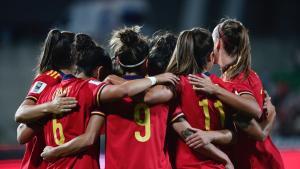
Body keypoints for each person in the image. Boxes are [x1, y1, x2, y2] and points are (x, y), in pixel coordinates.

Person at [38, 32, 178, 169]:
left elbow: (88, 137)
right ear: (146, 62)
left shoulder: (106, 92)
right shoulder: (164, 91)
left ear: (117, 61)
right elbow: (146, 96)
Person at [189, 18, 284, 169]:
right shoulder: (237, 76)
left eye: (212, 42)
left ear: (218, 43)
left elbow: (254, 111)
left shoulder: (236, 80)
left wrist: (215, 90)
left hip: (258, 163)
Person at [15, 29, 77, 169]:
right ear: (74, 54)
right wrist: (51, 106)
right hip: (39, 164)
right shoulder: (49, 78)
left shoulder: (76, 83)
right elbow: (20, 113)